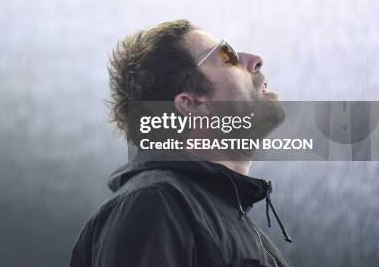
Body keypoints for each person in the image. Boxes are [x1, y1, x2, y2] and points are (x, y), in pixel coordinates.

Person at [69, 20, 294, 267]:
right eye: (226, 54)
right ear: (192, 104)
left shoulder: (236, 228)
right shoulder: (154, 204)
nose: (255, 59)